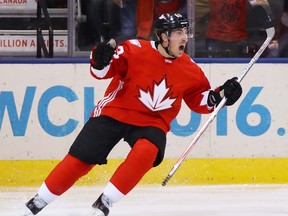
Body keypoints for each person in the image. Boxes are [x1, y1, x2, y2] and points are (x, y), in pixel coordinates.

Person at [23, 13, 242, 216]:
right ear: (164, 37)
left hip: (153, 122)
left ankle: (105, 202)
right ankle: (38, 202)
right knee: (81, 159)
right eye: (178, 33)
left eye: (186, 32)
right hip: (114, 112)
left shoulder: (191, 69)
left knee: (147, 150)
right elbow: (101, 72)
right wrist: (99, 59)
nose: (184, 38)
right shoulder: (134, 49)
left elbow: (199, 101)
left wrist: (221, 96)